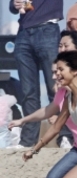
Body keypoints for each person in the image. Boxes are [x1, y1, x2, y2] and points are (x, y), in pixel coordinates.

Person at [9, 0, 63, 148]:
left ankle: (65, 137)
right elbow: (12, 7)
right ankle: (28, 140)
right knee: (28, 91)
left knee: (57, 87)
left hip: (48, 29)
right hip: (23, 32)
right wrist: (14, 4)